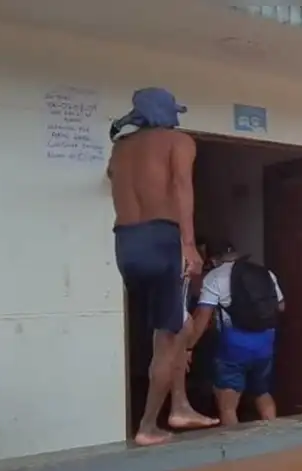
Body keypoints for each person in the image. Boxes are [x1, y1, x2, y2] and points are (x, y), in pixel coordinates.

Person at [107, 87, 217, 446]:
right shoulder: (179, 141)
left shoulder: (120, 148)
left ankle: (180, 404)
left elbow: (112, 177)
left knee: (177, 327)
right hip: (162, 239)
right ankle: (149, 425)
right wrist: (188, 243)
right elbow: (182, 186)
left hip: (126, 243)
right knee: (167, 338)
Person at [186, 239, 285, 425]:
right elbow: (281, 306)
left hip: (234, 345)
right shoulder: (265, 273)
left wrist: (188, 347)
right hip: (265, 342)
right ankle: (274, 435)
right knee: (262, 392)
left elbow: (202, 319)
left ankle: (234, 442)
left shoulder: (214, 277)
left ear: (214, 259)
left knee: (228, 405)